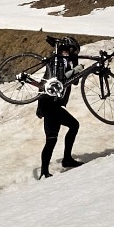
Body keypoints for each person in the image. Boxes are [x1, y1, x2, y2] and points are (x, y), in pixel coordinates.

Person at [36, 35, 83, 179]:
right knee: (74, 125)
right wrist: (76, 67)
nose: (71, 53)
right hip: (51, 104)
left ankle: (44, 171)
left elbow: (74, 82)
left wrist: (75, 65)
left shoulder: (64, 61)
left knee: (51, 139)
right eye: (70, 50)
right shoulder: (58, 62)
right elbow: (61, 78)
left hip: (49, 104)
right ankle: (67, 159)